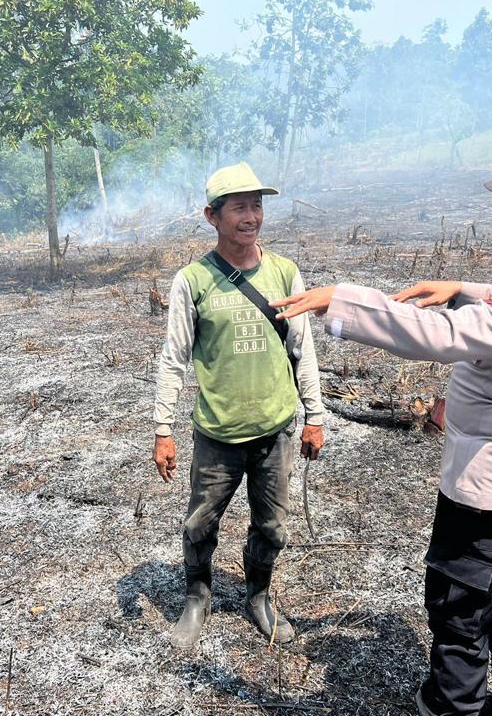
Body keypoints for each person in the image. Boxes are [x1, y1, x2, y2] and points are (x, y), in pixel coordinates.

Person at [271, 138, 492, 716]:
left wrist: (345, 302)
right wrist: (461, 289)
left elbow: (448, 339)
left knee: (460, 610)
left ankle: (453, 705)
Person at [152, 161, 326, 648]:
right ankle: (196, 598)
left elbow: (302, 349)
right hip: (218, 435)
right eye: (239, 208)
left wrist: (314, 417)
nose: (251, 217)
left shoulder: (285, 273)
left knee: (271, 526)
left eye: (257, 206)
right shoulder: (194, 280)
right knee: (200, 523)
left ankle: (258, 598)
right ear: (213, 216)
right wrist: (162, 428)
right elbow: (174, 358)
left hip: (275, 432)